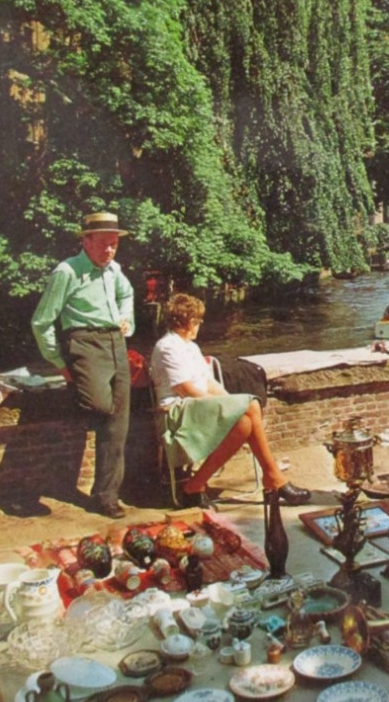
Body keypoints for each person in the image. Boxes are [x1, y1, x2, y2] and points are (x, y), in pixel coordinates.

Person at [150, 293, 311, 509]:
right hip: (177, 412)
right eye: (197, 321)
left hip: (196, 407)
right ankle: (273, 478)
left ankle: (195, 486)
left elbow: (208, 382)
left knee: (244, 420)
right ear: (189, 322)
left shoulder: (190, 347)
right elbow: (185, 389)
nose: (199, 325)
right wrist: (228, 407)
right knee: (250, 405)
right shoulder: (168, 346)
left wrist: (231, 402)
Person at [31, 211, 134, 519]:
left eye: (114, 244)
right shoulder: (67, 271)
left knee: (118, 426)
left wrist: (125, 318)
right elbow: (41, 321)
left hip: (116, 342)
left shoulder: (114, 270)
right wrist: (59, 362)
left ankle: (106, 497)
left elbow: (127, 294)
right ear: (85, 241)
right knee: (101, 406)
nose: (109, 251)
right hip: (84, 343)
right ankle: (104, 491)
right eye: (103, 244)